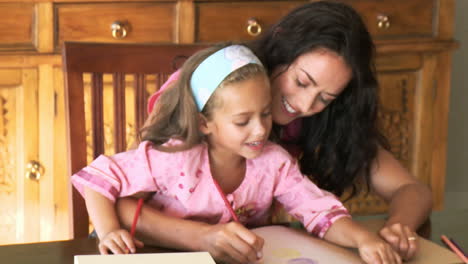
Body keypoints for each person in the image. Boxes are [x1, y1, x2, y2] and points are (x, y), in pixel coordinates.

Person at [117, 1, 432, 262]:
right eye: (302, 81)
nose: (305, 104)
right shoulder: (205, 92)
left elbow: (411, 189)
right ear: (282, 47)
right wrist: (203, 237)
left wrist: (398, 228)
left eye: (325, 98)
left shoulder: (302, 137)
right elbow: (124, 201)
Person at [72, 44, 402, 264]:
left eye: (265, 114)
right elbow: (99, 178)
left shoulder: (276, 164)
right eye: (242, 121)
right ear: (204, 123)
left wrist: (362, 239)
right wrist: (108, 231)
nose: (260, 131)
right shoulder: (174, 156)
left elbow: (318, 211)